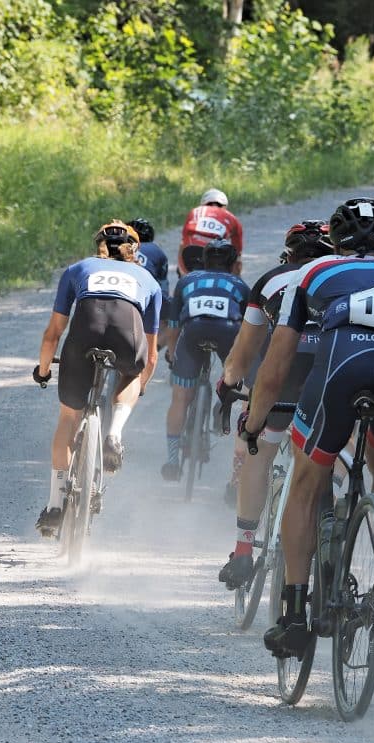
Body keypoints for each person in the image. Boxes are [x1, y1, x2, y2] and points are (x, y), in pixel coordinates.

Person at [236, 197, 374, 659]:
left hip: (346, 358)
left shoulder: (314, 273)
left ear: (336, 240)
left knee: (309, 475)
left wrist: (255, 420)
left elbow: (277, 361)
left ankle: (292, 617)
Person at [216, 220, 333, 589]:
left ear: (289, 252)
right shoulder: (344, 276)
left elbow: (244, 351)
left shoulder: (271, 280)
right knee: (336, 445)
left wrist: (228, 384)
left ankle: (244, 549)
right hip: (331, 373)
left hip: (283, 374)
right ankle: (337, 518)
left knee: (260, 449)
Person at [33, 220, 162, 537]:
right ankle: (114, 433)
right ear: (134, 251)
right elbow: (153, 355)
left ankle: (53, 505)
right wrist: (136, 388)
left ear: (98, 246)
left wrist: (44, 370)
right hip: (127, 333)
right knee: (132, 372)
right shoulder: (148, 279)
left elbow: (53, 333)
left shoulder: (79, 268)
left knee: (68, 417)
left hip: (83, 332)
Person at [161, 238, 250, 481]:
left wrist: (171, 352)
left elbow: (173, 326)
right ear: (234, 265)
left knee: (180, 398)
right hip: (228, 333)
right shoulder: (240, 286)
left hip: (192, 333)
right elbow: (249, 329)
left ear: (204, 260)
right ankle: (224, 400)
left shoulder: (187, 280)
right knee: (233, 375)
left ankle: (171, 461)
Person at [177, 189, 244, 278]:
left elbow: (185, 236)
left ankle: (182, 280)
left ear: (203, 203)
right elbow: (237, 250)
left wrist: (181, 269)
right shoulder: (233, 218)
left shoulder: (194, 212)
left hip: (192, 254)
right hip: (215, 256)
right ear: (224, 206)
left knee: (183, 245)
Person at [127, 217, 171, 330]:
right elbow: (163, 291)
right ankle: (153, 346)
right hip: (140, 301)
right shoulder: (156, 251)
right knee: (171, 321)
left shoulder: (113, 249)